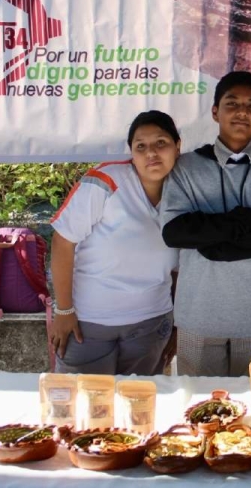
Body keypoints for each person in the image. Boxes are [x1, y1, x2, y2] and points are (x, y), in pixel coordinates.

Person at [160, 71, 251, 376]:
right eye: (232, 103)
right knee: (201, 406)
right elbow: (175, 232)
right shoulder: (186, 167)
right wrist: (248, 219)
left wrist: (209, 242)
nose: (242, 112)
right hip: (198, 315)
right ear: (215, 111)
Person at [48, 110, 180, 375]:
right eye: (141, 146)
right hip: (89, 324)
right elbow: (63, 241)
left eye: (161, 143)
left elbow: (179, 266)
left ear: (178, 146)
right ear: (131, 152)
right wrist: (63, 310)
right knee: (84, 410)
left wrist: (177, 323)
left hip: (152, 325)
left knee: (139, 410)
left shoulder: (187, 188)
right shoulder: (105, 181)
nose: (151, 153)